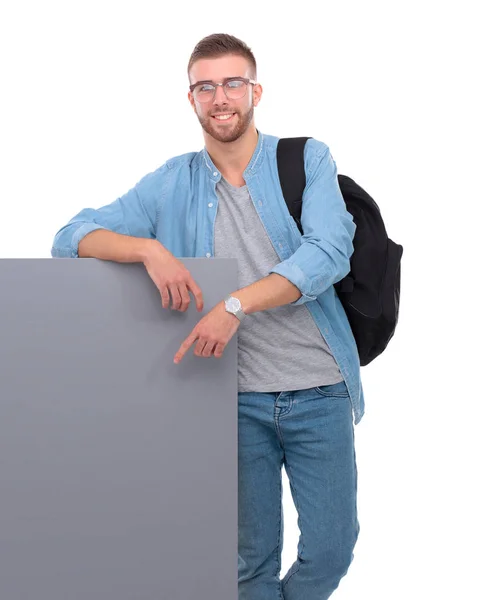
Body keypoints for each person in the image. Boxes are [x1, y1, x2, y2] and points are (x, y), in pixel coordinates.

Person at [51, 32, 364, 600]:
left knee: (332, 551)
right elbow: (71, 236)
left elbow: (329, 252)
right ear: (191, 99)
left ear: (256, 91)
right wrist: (148, 249)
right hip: (231, 400)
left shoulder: (306, 159)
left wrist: (235, 305)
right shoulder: (173, 181)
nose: (221, 97)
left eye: (233, 83)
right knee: (252, 565)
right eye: (206, 86)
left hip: (319, 390)